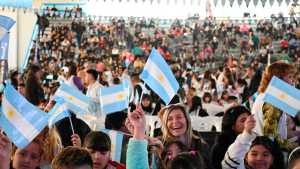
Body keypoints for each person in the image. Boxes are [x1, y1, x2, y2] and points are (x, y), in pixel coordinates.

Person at [252, 61, 297, 149]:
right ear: (278, 79)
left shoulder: (266, 95)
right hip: (269, 154)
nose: (293, 81)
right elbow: (270, 137)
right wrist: (292, 146)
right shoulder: (271, 101)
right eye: (290, 77)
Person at [158, 104, 211, 169]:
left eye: (179, 117)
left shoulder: (201, 144)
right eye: (169, 119)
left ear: (187, 120)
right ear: (165, 124)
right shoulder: (160, 146)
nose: (175, 122)